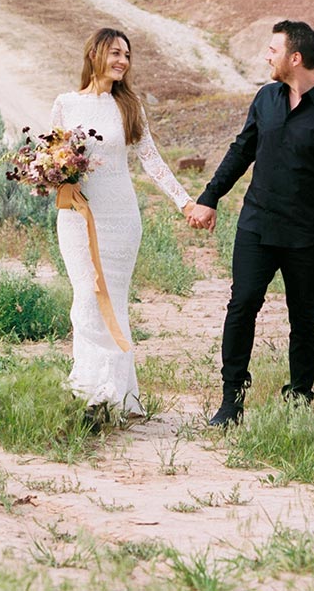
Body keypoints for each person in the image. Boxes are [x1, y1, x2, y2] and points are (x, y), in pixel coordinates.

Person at [187, 19, 314, 426]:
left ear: (295, 57)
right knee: (242, 305)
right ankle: (232, 400)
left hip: (308, 237)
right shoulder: (266, 99)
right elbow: (241, 150)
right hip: (257, 227)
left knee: (305, 320)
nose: (267, 55)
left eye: (273, 49)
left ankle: (299, 397)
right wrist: (210, 197)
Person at [51, 27, 195, 417]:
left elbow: (152, 160)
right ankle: (90, 388)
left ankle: (116, 395)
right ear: (95, 53)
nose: (122, 62)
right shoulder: (65, 104)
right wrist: (51, 174)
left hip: (120, 216)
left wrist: (184, 203)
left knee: (112, 300)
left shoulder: (128, 107)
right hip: (77, 216)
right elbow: (53, 159)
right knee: (85, 297)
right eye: (116, 53)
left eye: (127, 56)